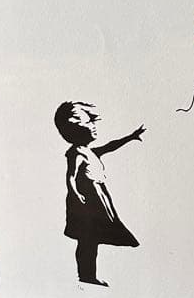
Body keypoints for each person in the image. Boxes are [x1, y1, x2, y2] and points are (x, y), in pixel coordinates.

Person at [53, 101, 145, 285]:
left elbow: (110, 146)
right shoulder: (76, 153)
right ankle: (86, 276)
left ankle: (88, 276)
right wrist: (77, 194)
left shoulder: (90, 151)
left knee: (91, 239)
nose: (94, 126)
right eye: (89, 122)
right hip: (87, 201)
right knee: (87, 239)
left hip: (99, 197)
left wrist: (131, 137)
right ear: (75, 128)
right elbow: (70, 176)